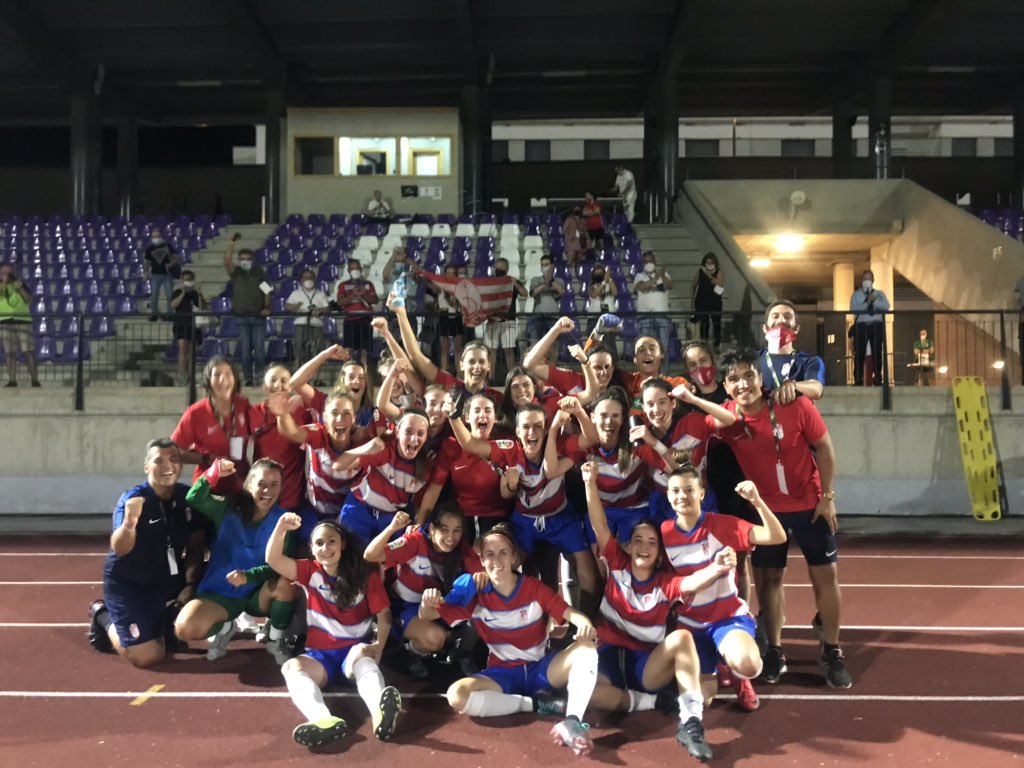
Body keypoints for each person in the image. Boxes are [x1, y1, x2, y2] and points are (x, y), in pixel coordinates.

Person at [714, 348, 852, 689]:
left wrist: (828, 497)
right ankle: (774, 649)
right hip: (767, 512)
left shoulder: (794, 405)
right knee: (769, 581)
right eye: (734, 379)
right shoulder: (727, 419)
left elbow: (826, 448)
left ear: (761, 378)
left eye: (749, 375)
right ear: (726, 387)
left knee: (825, 577)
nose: (743, 384)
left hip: (810, 504)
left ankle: (832, 650)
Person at [581, 461, 731, 762]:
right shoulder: (616, 561)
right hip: (610, 654)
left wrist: (716, 568)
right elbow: (599, 525)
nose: (644, 546)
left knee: (684, 640)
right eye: (638, 540)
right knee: (587, 694)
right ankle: (651, 702)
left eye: (652, 542)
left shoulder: (665, 582)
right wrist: (589, 482)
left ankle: (690, 722)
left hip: (645, 665)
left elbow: (690, 582)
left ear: (659, 552)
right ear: (628, 545)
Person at [419, 523, 600, 757]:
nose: (497, 560)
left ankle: (572, 722)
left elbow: (569, 613)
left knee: (587, 650)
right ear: (481, 560)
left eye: (503, 553)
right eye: (490, 555)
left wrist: (585, 624)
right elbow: (428, 615)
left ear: (514, 557)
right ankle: (536, 705)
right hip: (503, 675)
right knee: (456, 695)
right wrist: (427, 602)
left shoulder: (533, 587)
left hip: (541, 669)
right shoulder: (474, 593)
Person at [659, 465, 787, 713]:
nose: (682, 496)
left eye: (689, 490)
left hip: (726, 619)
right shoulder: (663, 533)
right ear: (667, 495)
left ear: (701, 494)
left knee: (748, 663)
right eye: (675, 490)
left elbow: (776, 536)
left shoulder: (721, 525)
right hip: (691, 626)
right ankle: (720, 664)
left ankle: (741, 676)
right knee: (703, 700)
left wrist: (757, 501)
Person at [269, 515, 402, 750]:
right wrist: (281, 528)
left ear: (343, 544)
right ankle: (322, 720)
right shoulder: (310, 571)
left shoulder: (364, 574)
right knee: (291, 667)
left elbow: (384, 615)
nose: (325, 548)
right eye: (319, 543)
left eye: (331, 541)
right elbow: (273, 559)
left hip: (353, 654)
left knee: (363, 656)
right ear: (312, 549)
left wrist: (378, 650)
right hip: (321, 657)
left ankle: (380, 715)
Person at [88, 438, 205, 668]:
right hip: (130, 584)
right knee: (148, 656)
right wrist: (130, 524)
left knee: (216, 576)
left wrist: (190, 585)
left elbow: (196, 545)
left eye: (173, 459)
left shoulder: (188, 498)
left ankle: (166, 621)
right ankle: (102, 615)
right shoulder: (133, 499)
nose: (167, 466)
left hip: (165, 577)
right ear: (146, 467)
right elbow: (120, 548)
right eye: (158, 460)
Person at [173, 458, 297, 664]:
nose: (267, 490)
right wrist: (214, 473)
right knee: (184, 628)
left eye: (274, 485)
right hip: (221, 591)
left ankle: (276, 640)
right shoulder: (229, 508)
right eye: (261, 484)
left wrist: (249, 577)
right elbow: (194, 497)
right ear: (248, 484)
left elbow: (280, 567)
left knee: (285, 584)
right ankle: (226, 628)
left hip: (258, 593)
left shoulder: (285, 520)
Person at [364, 508, 483, 679]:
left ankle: (463, 651)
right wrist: (392, 528)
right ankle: (410, 651)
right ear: (432, 529)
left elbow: (482, 573)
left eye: (456, 531)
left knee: (482, 600)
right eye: (444, 530)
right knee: (436, 638)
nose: (451, 538)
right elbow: (370, 555)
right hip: (405, 606)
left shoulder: (461, 548)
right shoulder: (415, 541)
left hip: (435, 606)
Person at [332, 409, 433, 546]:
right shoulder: (384, 451)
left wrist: (416, 525)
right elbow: (338, 465)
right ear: (397, 432)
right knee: (351, 555)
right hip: (360, 508)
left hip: (390, 518)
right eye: (408, 432)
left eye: (420, 434)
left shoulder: (425, 466)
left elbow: (419, 504)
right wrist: (366, 448)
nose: (414, 439)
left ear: (426, 437)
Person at [172, 356, 252, 495]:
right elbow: (173, 450)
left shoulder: (243, 405)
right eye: (217, 374)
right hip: (208, 489)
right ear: (208, 380)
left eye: (228, 374)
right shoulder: (196, 412)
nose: (223, 380)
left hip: (240, 486)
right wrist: (206, 459)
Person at [224, 235, 271, 386]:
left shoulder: (259, 273)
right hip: (241, 317)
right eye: (243, 258)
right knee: (245, 351)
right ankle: (249, 378)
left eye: (248, 258)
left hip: (258, 317)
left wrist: (267, 307)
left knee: (259, 351)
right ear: (239, 259)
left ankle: (259, 377)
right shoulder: (236, 272)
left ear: (252, 260)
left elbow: (267, 292)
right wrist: (231, 244)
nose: (245, 261)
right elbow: (227, 261)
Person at [759, 300, 825, 402]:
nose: (781, 320)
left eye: (787, 316)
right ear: (765, 328)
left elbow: (816, 389)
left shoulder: (809, 361)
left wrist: (793, 386)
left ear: (797, 329)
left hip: (795, 417)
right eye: (775, 316)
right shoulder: (752, 360)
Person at [483, 257, 528, 377]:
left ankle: (512, 377)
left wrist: (515, 283)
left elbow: (525, 294)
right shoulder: (490, 283)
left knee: (509, 351)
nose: (499, 270)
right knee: (491, 352)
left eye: (502, 268)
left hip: (508, 321)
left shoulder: (512, 281)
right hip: (493, 320)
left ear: (507, 269)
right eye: (497, 268)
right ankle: (490, 378)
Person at [0, 264, 40, 387]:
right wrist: (5, 283)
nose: (7, 274)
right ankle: (12, 380)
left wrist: (21, 290)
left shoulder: (20, 284)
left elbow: (29, 300)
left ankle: (34, 379)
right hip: (5, 321)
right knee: (9, 352)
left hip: (23, 320)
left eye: (9, 272)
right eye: (4, 272)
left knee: (28, 350)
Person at [634, 251, 674, 372]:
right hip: (644, 316)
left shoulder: (664, 274)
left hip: (662, 316)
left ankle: (663, 375)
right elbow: (641, 287)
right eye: (646, 261)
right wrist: (656, 279)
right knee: (645, 349)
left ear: (655, 262)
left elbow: (670, 285)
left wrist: (661, 276)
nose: (648, 263)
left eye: (650, 261)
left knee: (663, 350)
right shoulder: (639, 276)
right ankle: (647, 375)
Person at [850, 269, 890, 386]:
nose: (867, 281)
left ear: (873, 280)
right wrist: (867, 303)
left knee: (877, 353)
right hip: (862, 326)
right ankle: (858, 379)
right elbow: (853, 308)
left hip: (876, 325)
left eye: (869, 279)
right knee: (860, 353)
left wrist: (874, 301)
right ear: (861, 280)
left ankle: (878, 379)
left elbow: (886, 306)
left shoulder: (879, 294)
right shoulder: (856, 295)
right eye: (864, 279)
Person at [286, 268, 331, 370]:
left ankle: (317, 380)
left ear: (314, 279)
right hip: (300, 325)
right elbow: (287, 306)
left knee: (317, 354)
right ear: (301, 280)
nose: (308, 280)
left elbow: (328, 308)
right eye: (305, 278)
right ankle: (297, 378)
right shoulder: (296, 293)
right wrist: (295, 306)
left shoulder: (320, 293)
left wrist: (319, 310)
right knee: (299, 353)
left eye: (310, 278)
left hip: (316, 325)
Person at [336, 259, 378, 369]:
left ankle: (365, 377)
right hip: (350, 321)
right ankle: (345, 377)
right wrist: (352, 295)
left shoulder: (368, 284)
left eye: (357, 268)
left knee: (364, 352)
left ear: (361, 269)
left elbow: (374, 300)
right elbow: (340, 302)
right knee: (348, 351)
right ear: (349, 270)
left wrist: (364, 295)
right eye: (353, 268)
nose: (355, 270)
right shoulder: (343, 285)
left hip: (366, 320)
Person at [170, 269, 205, 385]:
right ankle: (182, 376)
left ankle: (191, 376)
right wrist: (183, 293)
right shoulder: (177, 292)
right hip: (181, 325)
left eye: (190, 280)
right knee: (182, 349)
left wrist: (199, 293)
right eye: (186, 280)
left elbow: (202, 307)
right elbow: (173, 305)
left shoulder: (195, 294)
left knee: (191, 352)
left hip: (193, 325)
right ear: (182, 280)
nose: (188, 282)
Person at [431, 265, 464, 373]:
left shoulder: (459, 287)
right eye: (448, 273)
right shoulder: (440, 287)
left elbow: (458, 304)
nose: (450, 275)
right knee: (444, 348)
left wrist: (449, 297)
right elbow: (436, 302)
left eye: (452, 273)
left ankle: (459, 374)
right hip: (444, 317)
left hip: (456, 317)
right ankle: (444, 373)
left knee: (458, 348)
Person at [528, 255, 567, 347]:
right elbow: (532, 293)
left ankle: (553, 362)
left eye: (546, 264)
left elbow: (562, 291)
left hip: (553, 317)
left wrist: (551, 280)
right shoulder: (535, 280)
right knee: (535, 344)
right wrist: (544, 284)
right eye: (542, 265)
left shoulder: (559, 280)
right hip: (538, 317)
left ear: (552, 266)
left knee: (553, 345)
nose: (544, 267)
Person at [144, 226, 179, 321]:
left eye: (157, 236)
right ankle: (154, 314)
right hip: (155, 275)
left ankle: (170, 314)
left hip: (167, 274)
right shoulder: (149, 248)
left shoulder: (168, 246)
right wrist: (146, 272)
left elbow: (175, 258)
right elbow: (146, 261)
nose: (155, 238)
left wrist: (170, 264)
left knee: (170, 295)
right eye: (154, 237)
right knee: (154, 296)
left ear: (161, 236)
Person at [691, 252, 724, 348]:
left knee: (716, 322)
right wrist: (692, 299)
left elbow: (720, 284)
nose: (709, 265)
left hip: (715, 301)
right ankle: (704, 344)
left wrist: (709, 274)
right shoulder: (700, 272)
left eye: (711, 263)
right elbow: (693, 285)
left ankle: (716, 344)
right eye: (707, 263)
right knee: (704, 323)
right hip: (702, 300)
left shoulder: (719, 272)